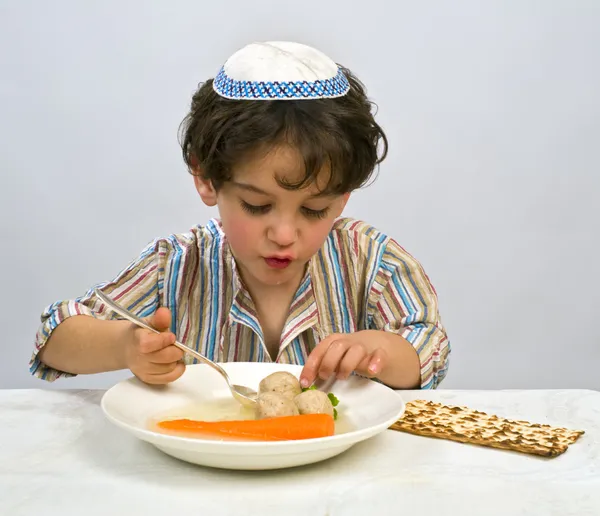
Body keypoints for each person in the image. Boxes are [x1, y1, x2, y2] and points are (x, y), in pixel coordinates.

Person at [30, 41, 451, 390]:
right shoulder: (175, 266)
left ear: (343, 199)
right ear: (206, 178)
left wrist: (376, 350)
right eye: (257, 205)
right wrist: (125, 346)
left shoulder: (371, 262)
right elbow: (54, 339)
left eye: (314, 209)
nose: (285, 234)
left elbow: (429, 347)